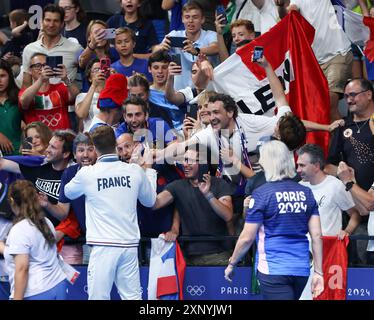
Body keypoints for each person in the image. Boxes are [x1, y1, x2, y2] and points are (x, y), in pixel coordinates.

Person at [64, 125, 157, 300]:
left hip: (102, 246)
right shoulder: (135, 170)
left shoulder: (87, 174)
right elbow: (150, 201)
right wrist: (149, 170)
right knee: (132, 298)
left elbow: (68, 193)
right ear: (115, 144)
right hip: (128, 244)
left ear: (94, 147)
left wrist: (82, 171)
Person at [224, 140, 324, 300]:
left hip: (273, 269)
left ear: (267, 162)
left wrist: (232, 263)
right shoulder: (306, 193)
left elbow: (247, 237)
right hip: (301, 270)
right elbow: (317, 236)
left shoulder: (262, 194)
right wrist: (319, 272)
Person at [153, 143, 235, 265]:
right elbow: (155, 203)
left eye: (190, 161)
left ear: (203, 163)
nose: (185, 165)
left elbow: (228, 215)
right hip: (189, 257)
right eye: (185, 160)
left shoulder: (219, 184)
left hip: (218, 255)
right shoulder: (177, 186)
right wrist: (146, 170)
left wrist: (208, 195)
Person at [286, 0, 353, 121]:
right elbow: (288, 13)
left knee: (328, 105)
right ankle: (333, 139)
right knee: (320, 110)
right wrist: (287, 9)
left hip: (337, 53)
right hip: (314, 62)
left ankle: (344, 140)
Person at [0, 180, 66, 300]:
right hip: (58, 285)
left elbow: (22, 268)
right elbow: (34, 252)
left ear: (12, 201)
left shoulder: (19, 230)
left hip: (36, 292)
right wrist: (3, 248)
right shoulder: (46, 222)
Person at [38, 132, 97, 264]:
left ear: (97, 152)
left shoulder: (106, 171)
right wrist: (47, 204)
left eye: (90, 150)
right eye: (81, 150)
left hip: (109, 239)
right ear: (75, 155)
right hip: (85, 240)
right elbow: (63, 213)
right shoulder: (69, 173)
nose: (85, 155)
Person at [297, 144, 361, 238]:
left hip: (329, 248)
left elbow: (355, 213)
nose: (298, 170)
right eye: (298, 165)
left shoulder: (335, 185)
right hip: (303, 249)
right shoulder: (299, 187)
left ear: (316, 166)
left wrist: (347, 231)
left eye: (302, 165)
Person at [154, 1, 219, 90]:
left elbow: (216, 48)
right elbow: (154, 52)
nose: (190, 21)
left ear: (202, 19)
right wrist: (161, 47)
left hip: (205, 92)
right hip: (179, 93)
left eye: (195, 17)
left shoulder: (210, 35)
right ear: (182, 19)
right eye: (187, 17)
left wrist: (196, 50)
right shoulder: (175, 35)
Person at [18, 4, 83, 89]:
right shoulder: (29, 49)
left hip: (64, 100)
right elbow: (26, 85)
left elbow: (91, 71)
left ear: (62, 24)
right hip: (37, 100)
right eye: (48, 20)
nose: (51, 25)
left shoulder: (75, 49)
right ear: (42, 22)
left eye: (56, 21)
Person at [18, 52, 79, 131]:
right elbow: (24, 100)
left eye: (45, 65)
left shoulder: (60, 87)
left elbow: (76, 96)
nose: (42, 69)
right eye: (38, 66)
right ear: (30, 70)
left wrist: (65, 79)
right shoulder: (26, 92)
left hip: (61, 139)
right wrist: (41, 79)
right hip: (38, 139)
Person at [338, 161, 374, 264]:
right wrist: (352, 181)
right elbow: (363, 210)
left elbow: (370, 204)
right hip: (371, 248)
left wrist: (348, 182)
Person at [0, 60, 21, 156]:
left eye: (2, 76)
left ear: (9, 77)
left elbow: (33, 123)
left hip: (18, 153)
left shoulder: (20, 98)